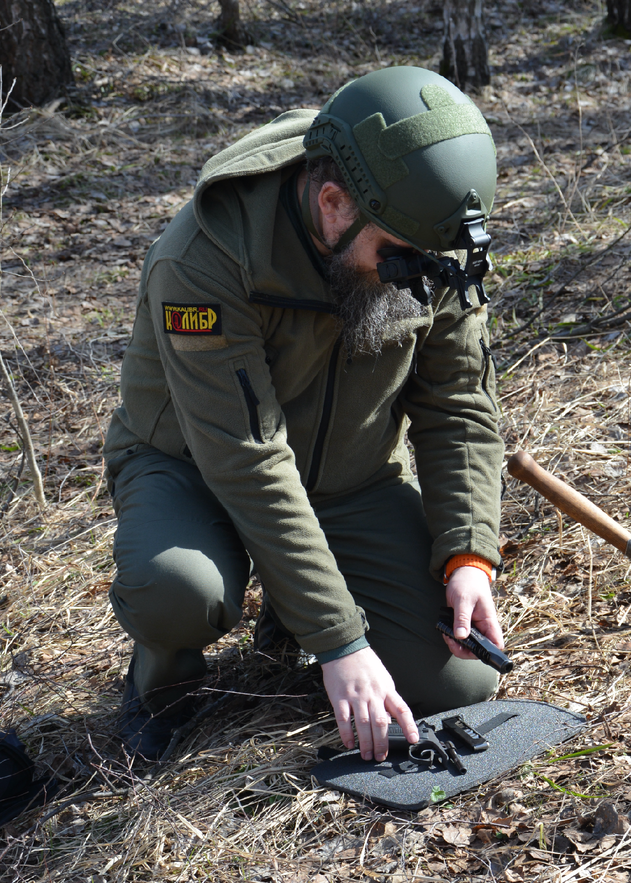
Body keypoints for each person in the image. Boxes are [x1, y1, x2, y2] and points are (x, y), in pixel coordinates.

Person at [103, 66, 506, 763]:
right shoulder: (205, 259)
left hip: (348, 479)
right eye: (397, 258)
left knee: (460, 681)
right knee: (179, 590)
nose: (413, 274)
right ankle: (162, 687)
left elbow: (457, 403)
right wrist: (341, 641)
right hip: (194, 468)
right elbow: (247, 458)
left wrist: (468, 553)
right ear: (332, 205)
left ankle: (292, 614)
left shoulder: (417, 231)